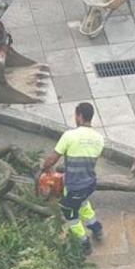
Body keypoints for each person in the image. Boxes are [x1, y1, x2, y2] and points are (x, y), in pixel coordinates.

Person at [40, 102, 105, 254]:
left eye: (75, 115)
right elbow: (86, 160)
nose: (75, 118)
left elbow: (52, 160)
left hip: (75, 185)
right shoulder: (99, 139)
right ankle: (96, 227)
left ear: (79, 116)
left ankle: (83, 242)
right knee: (82, 202)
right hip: (89, 183)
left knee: (70, 213)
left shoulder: (69, 136)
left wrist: (43, 168)